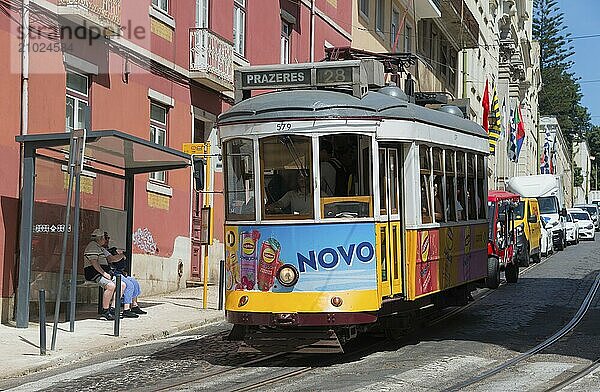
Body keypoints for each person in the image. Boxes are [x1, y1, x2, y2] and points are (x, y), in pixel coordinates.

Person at [83, 229, 126, 320]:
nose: (106, 240)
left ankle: (113, 308)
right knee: (110, 286)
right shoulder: (92, 247)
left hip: (104, 272)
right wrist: (104, 273)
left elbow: (111, 259)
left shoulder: (99, 247)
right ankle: (105, 311)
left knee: (122, 285)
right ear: (101, 238)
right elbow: (94, 263)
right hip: (94, 272)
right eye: (105, 238)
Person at [103, 232, 146, 315]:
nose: (107, 240)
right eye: (106, 238)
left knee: (134, 282)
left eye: (108, 238)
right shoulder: (103, 250)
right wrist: (122, 255)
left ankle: (134, 305)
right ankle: (126, 309)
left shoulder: (109, 249)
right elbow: (112, 259)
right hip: (112, 273)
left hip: (118, 272)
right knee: (129, 285)